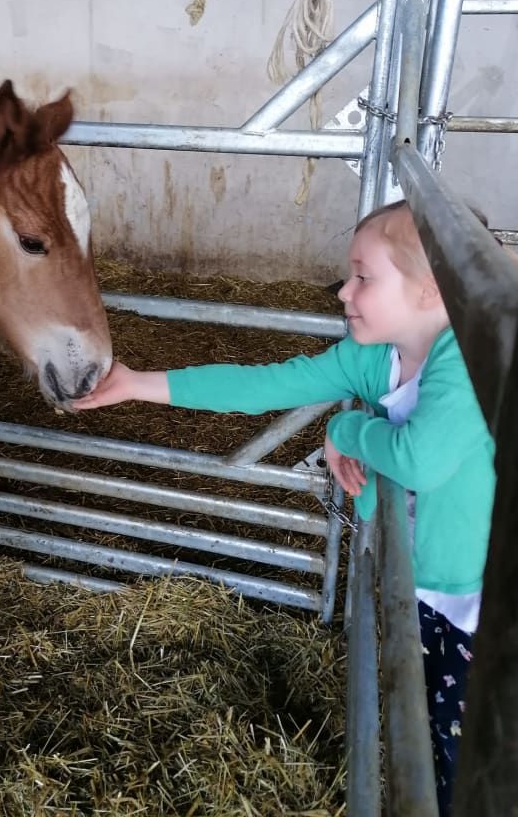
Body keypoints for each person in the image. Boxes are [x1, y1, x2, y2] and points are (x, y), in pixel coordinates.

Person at [74, 200, 496, 817]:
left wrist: (348, 431)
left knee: (470, 765)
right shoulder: (374, 357)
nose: (344, 291)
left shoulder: (466, 357)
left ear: (431, 290)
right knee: (433, 746)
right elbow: (265, 384)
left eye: (363, 276)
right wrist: (139, 383)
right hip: (426, 591)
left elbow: (422, 460)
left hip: (481, 603)